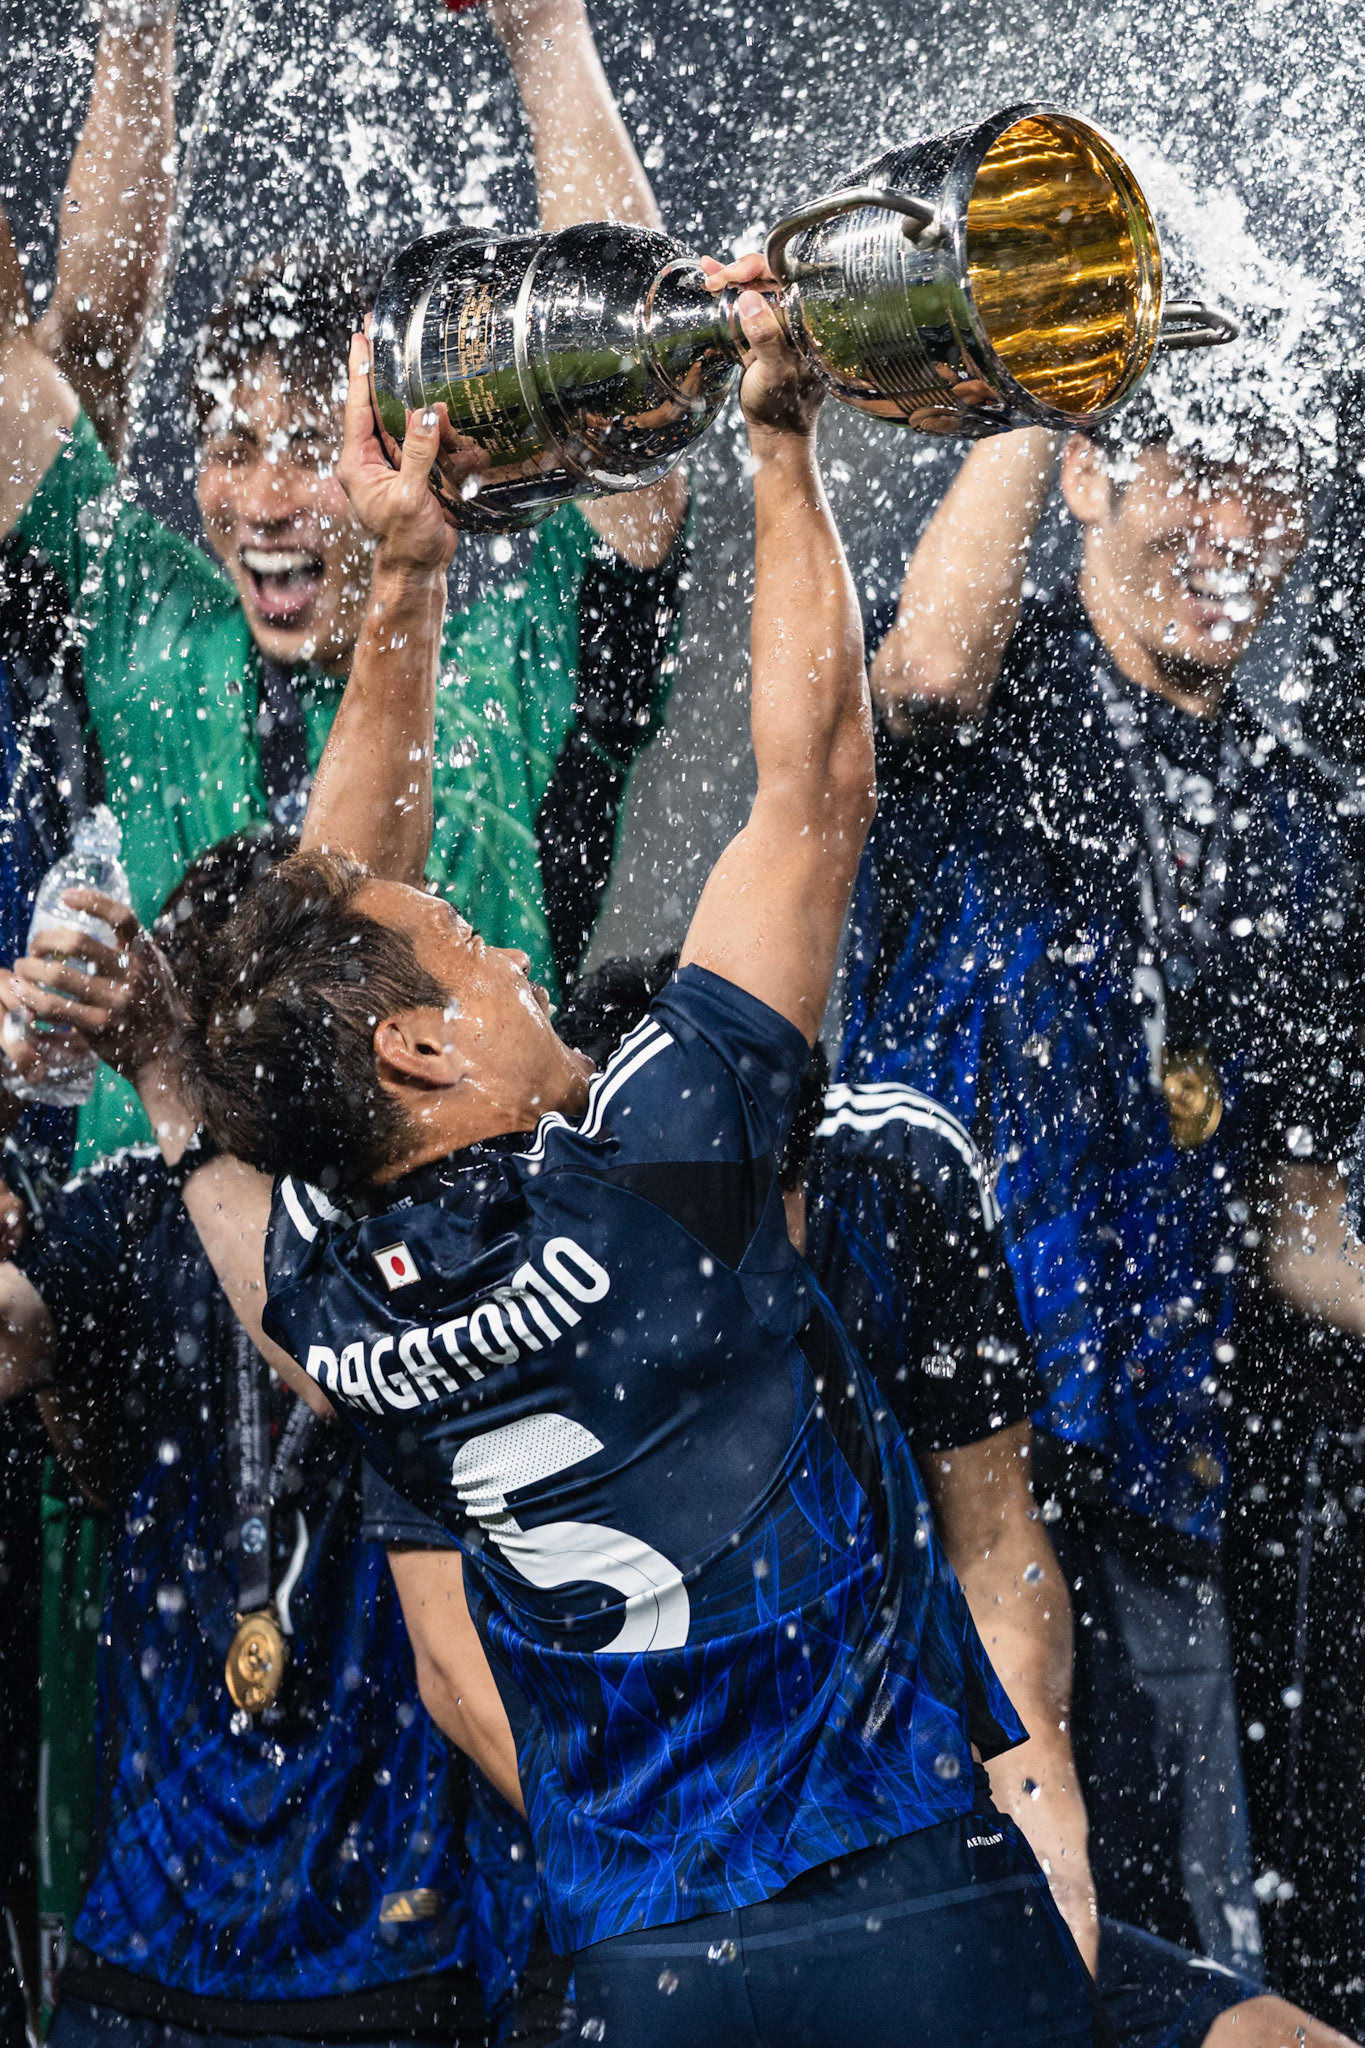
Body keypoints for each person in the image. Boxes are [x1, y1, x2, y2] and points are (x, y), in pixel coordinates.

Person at [143, 253, 1118, 2046]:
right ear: (425, 1045)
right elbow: (817, 780)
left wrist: (411, 577)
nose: (511, 952)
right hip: (905, 1908)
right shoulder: (661, 1166)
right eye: (474, 951)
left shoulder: (330, 1300)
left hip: (640, 1980)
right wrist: (778, 440)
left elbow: (307, 971)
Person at [547, 952, 1361, 2048]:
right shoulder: (514, 1248)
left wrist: (1048, 1851)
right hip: (650, 1884)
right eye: (712, 1245)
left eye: (777, 1217)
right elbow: (459, 1663)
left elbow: (996, 1551)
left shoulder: (895, 1167)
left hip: (900, 1838)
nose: (755, 1280)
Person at [842, 344, 1364, 1986]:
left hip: (1153, 1484)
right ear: (1086, 474)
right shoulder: (1000, 682)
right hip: (920, 1465)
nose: (1234, 521)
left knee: (1166, 1953)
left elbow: (1296, 1219)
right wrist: (1060, 354)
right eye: (1195, 467)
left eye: (1271, 484)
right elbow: (921, 668)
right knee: (927, 1941)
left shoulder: (1299, 822)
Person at [0, 0, 688, 1173]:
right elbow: (39, 370)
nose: (261, 498)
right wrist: (136, 27)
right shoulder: (150, 638)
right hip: (163, 1263)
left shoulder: (510, 683)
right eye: (229, 446)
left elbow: (636, 422)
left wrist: (544, 31)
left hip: (451, 1261)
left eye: (313, 447)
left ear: (413, 449)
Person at [0, 829, 573, 2048]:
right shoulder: (134, 1210)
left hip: (398, 1953)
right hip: (150, 1951)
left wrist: (169, 1090)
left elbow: (325, 1363)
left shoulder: (439, 1211)